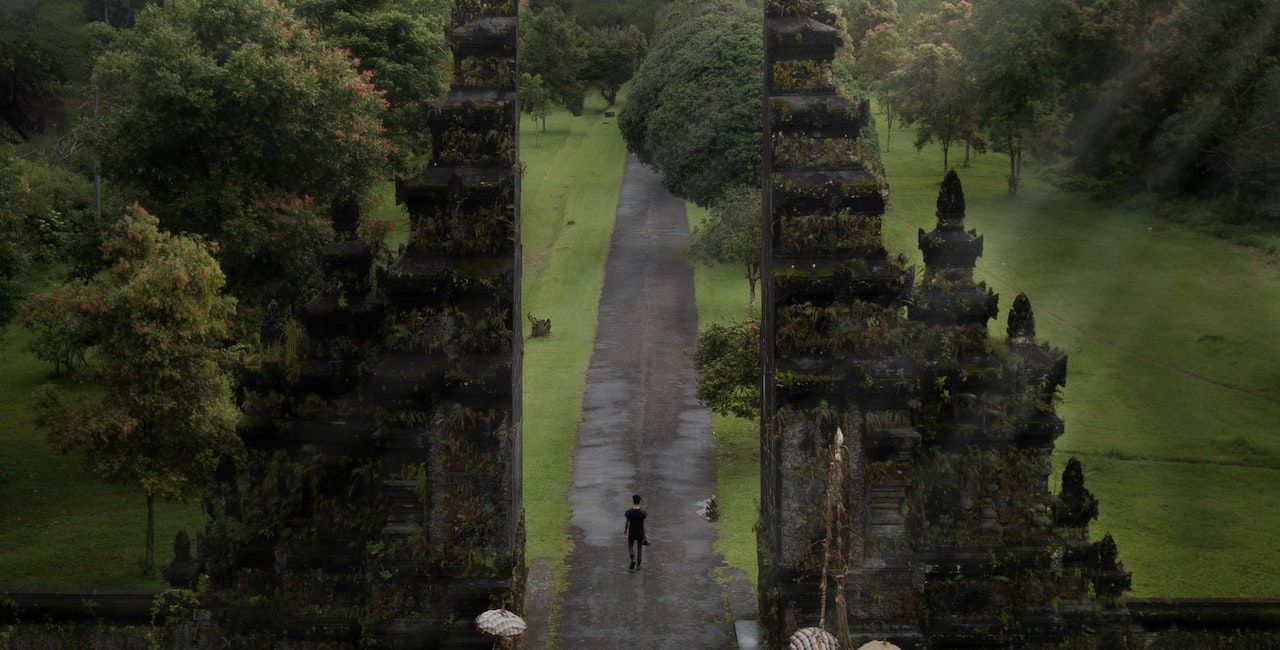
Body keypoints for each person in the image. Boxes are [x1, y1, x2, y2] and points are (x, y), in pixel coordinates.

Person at [624, 494, 648, 571]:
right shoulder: (643, 513)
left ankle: (633, 558)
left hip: (632, 532)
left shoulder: (629, 512)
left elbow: (627, 523)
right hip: (640, 532)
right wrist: (645, 535)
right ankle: (639, 565)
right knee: (640, 547)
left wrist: (625, 530)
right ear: (639, 501)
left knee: (630, 546)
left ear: (633, 501)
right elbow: (644, 525)